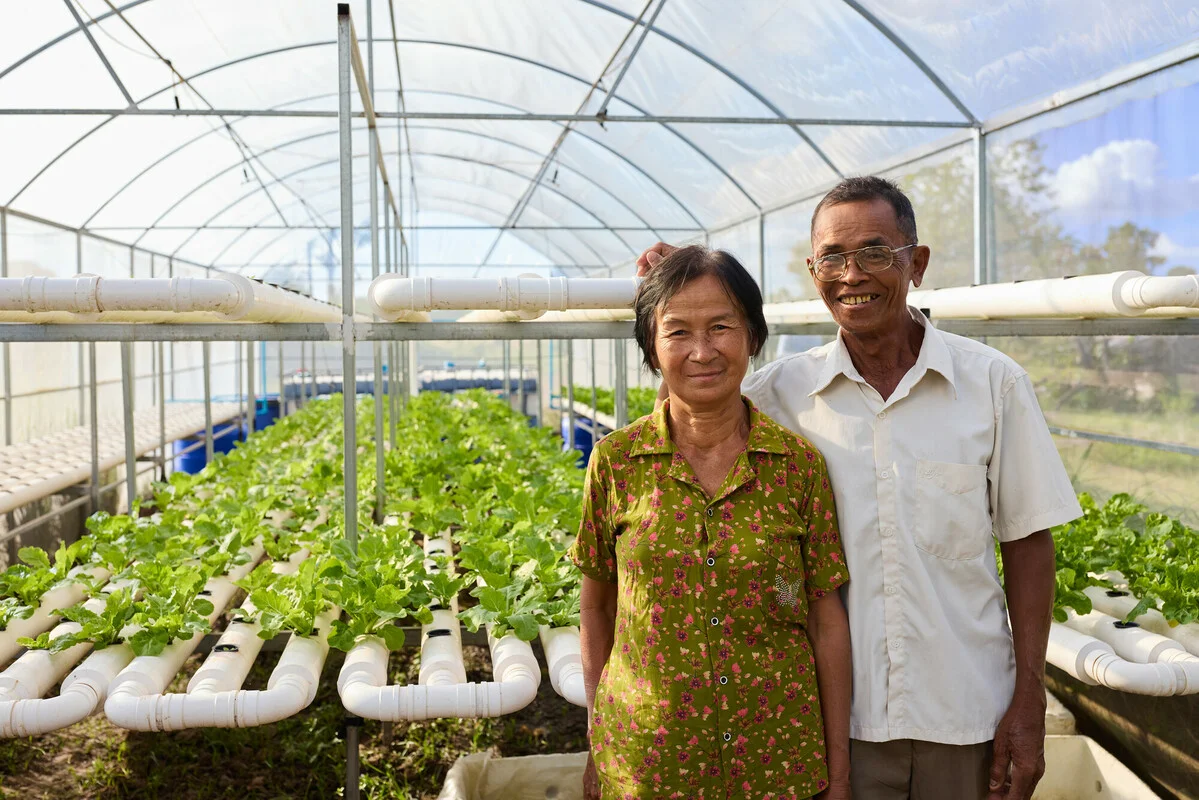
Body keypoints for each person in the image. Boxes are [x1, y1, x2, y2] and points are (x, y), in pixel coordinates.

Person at [637, 177, 1080, 800]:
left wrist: (1029, 701)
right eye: (832, 259)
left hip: (966, 713)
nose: (852, 275)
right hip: (827, 727)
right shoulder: (780, 397)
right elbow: (688, 421)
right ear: (812, 272)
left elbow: (1029, 546)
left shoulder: (992, 386)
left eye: (875, 253)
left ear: (916, 264)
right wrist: (676, 287)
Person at [569, 246, 853, 800]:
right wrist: (598, 744)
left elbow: (826, 621)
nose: (702, 351)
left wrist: (837, 773)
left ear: (751, 336)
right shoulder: (615, 463)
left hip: (778, 764)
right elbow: (596, 607)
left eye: (721, 326)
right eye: (677, 332)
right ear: (652, 349)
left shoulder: (797, 467)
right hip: (648, 764)